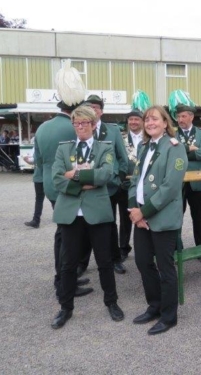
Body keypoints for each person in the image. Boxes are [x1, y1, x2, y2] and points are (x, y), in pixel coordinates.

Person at [50, 105, 124, 329]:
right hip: (71, 215)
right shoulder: (64, 149)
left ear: (93, 124)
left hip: (97, 213)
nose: (80, 126)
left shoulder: (104, 148)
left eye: (84, 123)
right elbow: (56, 178)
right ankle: (66, 307)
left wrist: (73, 175)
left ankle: (111, 302)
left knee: (104, 262)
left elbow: (105, 175)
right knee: (68, 264)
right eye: (76, 123)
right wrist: (85, 182)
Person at [128, 105, 188, 335]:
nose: (150, 123)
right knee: (143, 263)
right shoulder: (144, 147)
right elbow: (134, 180)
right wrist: (134, 210)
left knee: (165, 268)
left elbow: (170, 187)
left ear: (165, 123)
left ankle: (169, 316)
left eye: (155, 119)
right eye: (147, 119)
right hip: (141, 217)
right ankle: (154, 306)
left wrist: (143, 212)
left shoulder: (175, 147)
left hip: (161, 218)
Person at [34, 80, 93, 298]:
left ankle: (66, 277)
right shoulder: (74, 128)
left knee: (63, 233)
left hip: (51, 185)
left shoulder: (42, 127)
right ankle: (64, 280)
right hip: (69, 186)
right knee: (68, 237)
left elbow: (38, 161)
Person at [77, 94, 129, 276]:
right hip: (87, 186)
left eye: (96, 107)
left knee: (110, 224)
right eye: (89, 107)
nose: (92, 110)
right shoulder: (80, 128)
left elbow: (122, 157)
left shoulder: (112, 130)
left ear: (101, 111)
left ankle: (115, 259)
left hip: (110, 186)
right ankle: (82, 263)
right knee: (86, 224)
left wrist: (119, 178)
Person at [176, 104, 201, 264]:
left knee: (198, 218)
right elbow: (170, 153)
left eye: (183, 116)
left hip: (197, 183)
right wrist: (189, 148)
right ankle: (177, 250)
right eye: (178, 116)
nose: (180, 119)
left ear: (191, 117)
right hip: (177, 183)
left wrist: (181, 152)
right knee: (176, 219)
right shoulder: (172, 133)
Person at [119, 109, 145, 261]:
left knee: (145, 215)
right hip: (126, 184)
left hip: (144, 184)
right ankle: (123, 248)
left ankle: (146, 248)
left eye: (136, 119)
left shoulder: (148, 137)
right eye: (131, 119)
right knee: (125, 219)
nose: (133, 122)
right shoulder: (121, 138)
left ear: (142, 121)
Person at [24, 145, 45, 229]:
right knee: (39, 198)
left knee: (54, 198)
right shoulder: (36, 146)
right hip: (39, 176)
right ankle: (36, 220)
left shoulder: (45, 146)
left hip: (46, 176)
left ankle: (62, 217)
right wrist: (27, 160)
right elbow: (33, 161)